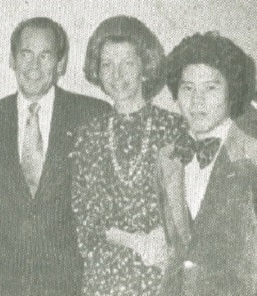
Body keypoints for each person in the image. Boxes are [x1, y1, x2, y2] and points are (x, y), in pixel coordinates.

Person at [0, 17, 111, 295]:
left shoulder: (92, 115)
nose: (34, 66)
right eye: (25, 54)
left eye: (45, 55)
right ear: (12, 60)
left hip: (72, 280)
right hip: (7, 281)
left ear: (60, 64)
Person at [70, 15, 187, 295]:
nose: (117, 75)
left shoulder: (175, 128)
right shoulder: (88, 135)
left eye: (128, 64)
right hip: (105, 277)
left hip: (161, 270)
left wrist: (159, 241)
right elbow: (84, 216)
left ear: (145, 67)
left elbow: (189, 205)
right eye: (107, 64)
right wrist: (136, 242)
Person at [157, 31, 257, 296]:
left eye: (211, 88)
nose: (197, 100)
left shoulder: (253, 157)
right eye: (187, 88)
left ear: (232, 92)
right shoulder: (167, 158)